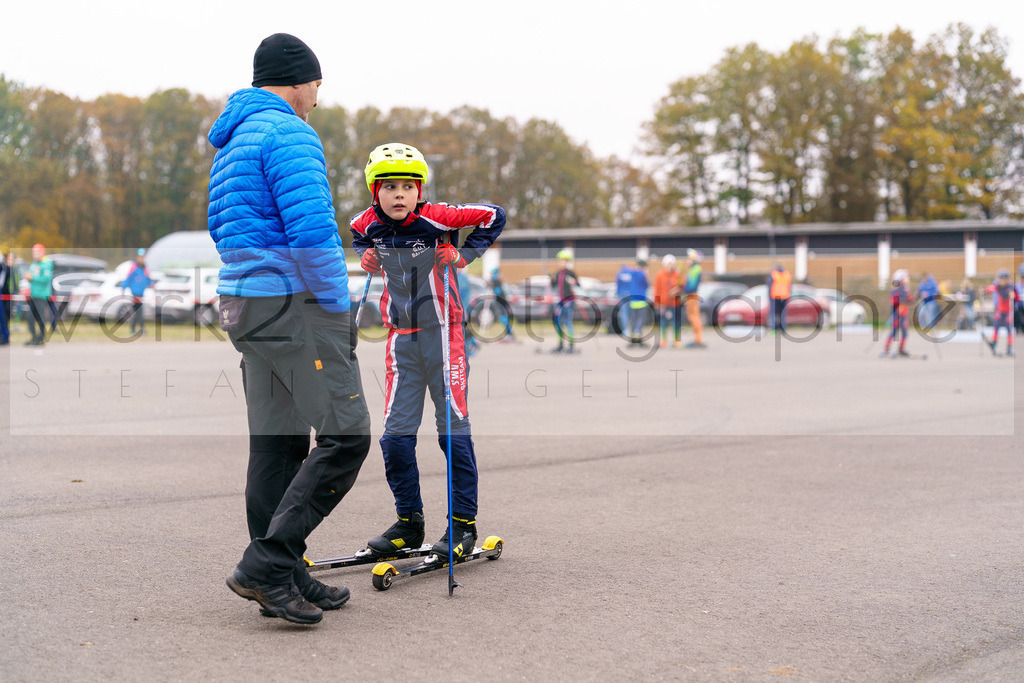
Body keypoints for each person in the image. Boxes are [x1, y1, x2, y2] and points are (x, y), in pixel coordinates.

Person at [209, 32, 372, 625]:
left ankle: (285, 573)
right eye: (316, 86)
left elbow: (224, 228)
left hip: (246, 304)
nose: (317, 99)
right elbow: (312, 231)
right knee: (347, 436)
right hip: (293, 302)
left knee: (278, 444)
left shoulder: (232, 141)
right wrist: (336, 304)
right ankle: (269, 563)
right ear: (297, 80)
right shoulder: (288, 133)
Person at [350, 142, 505, 562]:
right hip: (401, 340)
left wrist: (465, 253)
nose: (399, 194)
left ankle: (463, 526)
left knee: (450, 433)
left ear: (420, 190)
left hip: (445, 336)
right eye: (390, 187)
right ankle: (409, 523)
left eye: (408, 186)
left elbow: (494, 215)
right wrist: (365, 256)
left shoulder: (438, 217)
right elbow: (360, 240)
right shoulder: (364, 224)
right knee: (395, 440)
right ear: (374, 191)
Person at [550, 249, 580, 353]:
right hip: (561, 301)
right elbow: (554, 286)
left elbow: (578, 284)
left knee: (568, 322)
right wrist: (552, 279)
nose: (560, 263)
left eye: (563, 261)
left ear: (567, 262)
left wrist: (573, 281)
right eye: (560, 261)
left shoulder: (570, 273)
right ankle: (560, 344)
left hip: (569, 300)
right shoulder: (558, 273)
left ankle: (571, 345)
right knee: (558, 322)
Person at [984, 269, 1018, 357]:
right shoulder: (997, 286)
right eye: (1001, 279)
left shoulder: (1010, 287)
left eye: (1004, 279)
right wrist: (988, 289)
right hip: (999, 311)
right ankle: (994, 345)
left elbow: (1016, 297)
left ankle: (1009, 348)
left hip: (1008, 312)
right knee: (996, 328)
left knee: (1009, 330)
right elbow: (989, 289)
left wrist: (1013, 295)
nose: (1002, 281)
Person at [616, 256, 650, 347]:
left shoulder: (631, 273)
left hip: (632, 300)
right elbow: (646, 285)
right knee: (641, 320)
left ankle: (632, 337)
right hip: (641, 300)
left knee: (633, 320)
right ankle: (638, 337)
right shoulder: (642, 274)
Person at [24, 243, 53, 346]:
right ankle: (33, 337)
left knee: (40, 318)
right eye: (34, 252)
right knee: (30, 318)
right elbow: (32, 279)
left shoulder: (46, 263)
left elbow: (45, 279)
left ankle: (41, 338)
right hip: (33, 295)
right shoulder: (33, 264)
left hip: (41, 296)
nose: (35, 254)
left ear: (42, 253)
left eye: (37, 252)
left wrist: (32, 278)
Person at [882, 269, 913, 357]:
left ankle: (901, 349)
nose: (908, 279)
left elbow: (909, 299)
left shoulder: (906, 289)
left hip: (903, 314)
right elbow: (893, 301)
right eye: (906, 277)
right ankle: (886, 348)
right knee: (894, 331)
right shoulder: (896, 290)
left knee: (905, 332)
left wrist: (917, 296)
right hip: (897, 314)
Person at [653, 254, 682, 348]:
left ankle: (676, 341)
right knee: (663, 322)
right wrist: (657, 302)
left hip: (675, 303)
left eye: (672, 264)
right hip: (663, 303)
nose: (670, 266)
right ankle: (663, 340)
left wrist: (677, 290)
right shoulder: (660, 275)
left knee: (675, 322)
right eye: (669, 264)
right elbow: (656, 289)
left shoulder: (677, 274)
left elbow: (682, 286)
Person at [122, 248, 152, 335]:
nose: (142, 259)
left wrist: (151, 284)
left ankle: (134, 329)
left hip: (141, 293)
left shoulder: (144, 268)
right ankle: (141, 328)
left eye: (143, 257)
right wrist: (123, 288)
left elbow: (147, 280)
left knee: (137, 312)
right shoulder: (134, 267)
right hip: (135, 293)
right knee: (139, 311)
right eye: (140, 257)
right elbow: (128, 279)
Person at [682, 249, 706, 349]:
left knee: (694, 317)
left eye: (689, 259)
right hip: (691, 295)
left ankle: (698, 340)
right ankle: (697, 339)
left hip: (692, 296)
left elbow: (691, 285)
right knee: (693, 317)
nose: (687, 261)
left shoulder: (695, 269)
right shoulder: (694, 269)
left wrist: (683, 289)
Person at [487, 267, 515, 341]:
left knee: (504, 318)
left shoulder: (496, 281)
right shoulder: (496, 281)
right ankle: (509, 334)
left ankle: (510, 334)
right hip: (500, 301)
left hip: (502, 302)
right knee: (503, 318)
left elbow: (498, 291)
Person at [457, 266, 479, 357]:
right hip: (460, 308)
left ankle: (471, 345)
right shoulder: (459, 277)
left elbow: (462, 291)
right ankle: (471, 344)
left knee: (462, 329)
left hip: (463, 308)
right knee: (462, 329)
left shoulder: (462, 277)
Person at [767, 264, 791, 333]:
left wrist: (769, 296)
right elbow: (790, 286)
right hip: (785, 296)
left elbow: (769, 285)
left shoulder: (773, 274)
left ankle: (774, 329)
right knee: (783, 313)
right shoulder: (787, 275)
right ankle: (783, 329)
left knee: (773, 313)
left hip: (775, 296)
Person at [0, 250, 13, 345]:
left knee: (3, 316)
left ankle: (5, 336)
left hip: (6, 295)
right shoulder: (3, 267)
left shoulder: (10, 269)